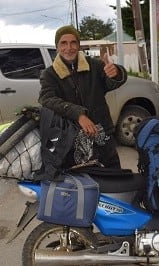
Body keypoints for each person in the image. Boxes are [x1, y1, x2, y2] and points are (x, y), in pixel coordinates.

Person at [38, 25, 127, 169]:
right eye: (64, 43)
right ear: (57, 47)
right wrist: (78, 115)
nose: (69, 47)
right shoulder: (49, 74)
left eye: (73, 42)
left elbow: (112, 83)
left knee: (113, 177)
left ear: (79, 45)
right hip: (71, 138)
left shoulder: (95, 65)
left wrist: (116, 72)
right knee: (81, 182)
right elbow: (47, 99)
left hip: (103, 132)